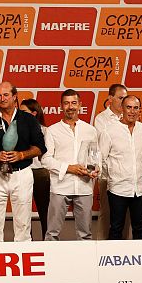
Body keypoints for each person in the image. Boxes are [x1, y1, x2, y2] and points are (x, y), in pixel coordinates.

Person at [0, 82, 46, 242]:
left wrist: (22, 155)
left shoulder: (28, 119)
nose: (2, 99)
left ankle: (24, 262)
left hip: (21, 174)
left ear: (15, 97)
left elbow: (40, 147)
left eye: (6, 95)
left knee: (23, 225)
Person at [41, 89, 99, 241]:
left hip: (84, 186)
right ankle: (52, 263)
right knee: (52, 233)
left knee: (85, 234)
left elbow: (94, 156)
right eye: (66, 103)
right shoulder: (52, 130)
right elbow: (46, 159)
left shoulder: (90, 130)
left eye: (74, 103)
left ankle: (86, 264)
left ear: (80, 105)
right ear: (61, 106)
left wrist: (95, 169)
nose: (70, 107)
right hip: (60, 187)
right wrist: (69, 168)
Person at [99, 95, 142, 239]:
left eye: (136, 108)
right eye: (129, 107)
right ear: (122, 108)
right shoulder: (109, 131)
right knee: (116, 228)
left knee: (140, 228)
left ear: (140, 110)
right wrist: (112, 175)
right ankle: (113, 259)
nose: (132, 111)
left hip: (139, 189)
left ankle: (141, 260)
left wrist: (140, 169)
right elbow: (101, 158)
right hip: (117, 188)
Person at [92, 83, 129, 240]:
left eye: (125, 98)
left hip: (126, 174)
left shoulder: (130, 116)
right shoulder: (101, 119)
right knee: (106, 213)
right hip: (108, 174)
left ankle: (124, 245)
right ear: (110, 99)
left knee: (125, 215)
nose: (123, 102)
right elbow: (103, 148)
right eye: (120, 98)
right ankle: (101, 246)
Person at [19, 98, 50, 240]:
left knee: (45, 211)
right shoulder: (17, 130)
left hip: (40, 174)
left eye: (23, 111)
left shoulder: (45, 130)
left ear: (33, 113)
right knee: (24, 211)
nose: (20, 114)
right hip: (23, 171)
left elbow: (47, 154)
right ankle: (27, 241)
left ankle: (47, 241)